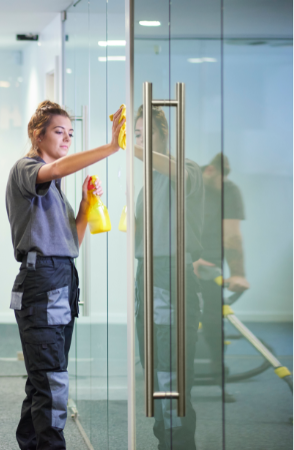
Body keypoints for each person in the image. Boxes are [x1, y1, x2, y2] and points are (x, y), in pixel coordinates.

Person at [5, 100, 123, 450]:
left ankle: (31, 443)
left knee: (44, 378)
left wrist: (86, 208)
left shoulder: (55, 187)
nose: (67, 138)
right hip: (42, 282)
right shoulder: (27, 169)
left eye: (71, 133)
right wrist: (111, 147)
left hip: (60, 278)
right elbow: (55, 170)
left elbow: (70, 241)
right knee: (52, 380)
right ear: (36, 135)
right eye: (59, 132)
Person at [133, 105, 204, 449]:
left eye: (146, 135)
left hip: (170, 277)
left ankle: (177, 442)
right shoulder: (147, 185)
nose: (140, 141)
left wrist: (129, 147)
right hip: (147, 277)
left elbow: (175, 171)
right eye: (136, 134)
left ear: (163, 136)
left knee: (170, 371)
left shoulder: (185, 169)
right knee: (154, 370)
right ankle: (166, 440)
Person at [193, 154, 248, 384]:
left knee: (215, 317)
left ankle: (217, 370)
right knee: (177, 315)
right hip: (185, 258)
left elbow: (232, 235)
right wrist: (190, 258)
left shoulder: (230, 190)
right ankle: (170, 372)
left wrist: (238, 274)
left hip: (212, 262)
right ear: (209, 171)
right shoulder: (191, 182)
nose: (221, 185)